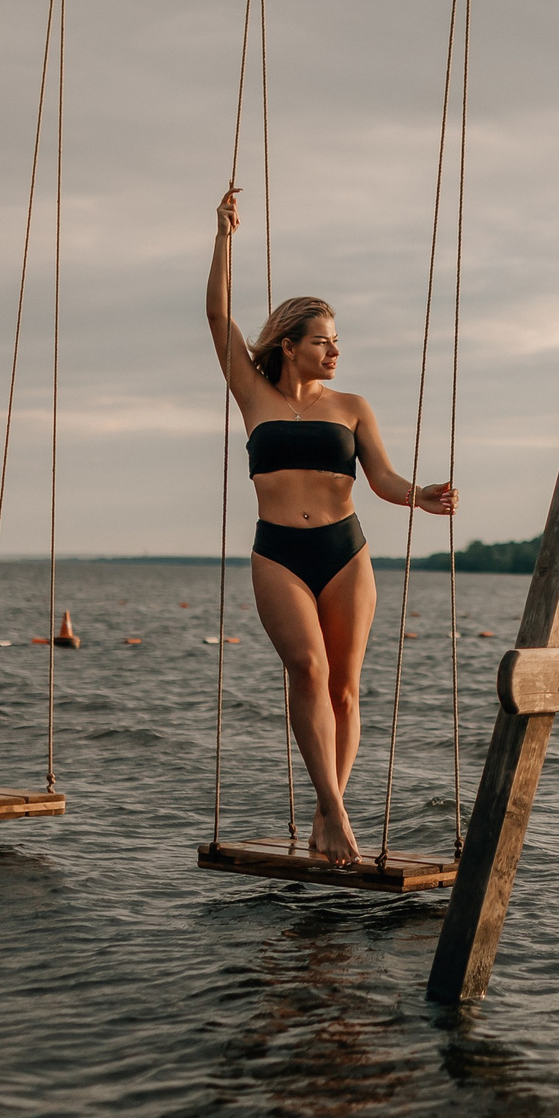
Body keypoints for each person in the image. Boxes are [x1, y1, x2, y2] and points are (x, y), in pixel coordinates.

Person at [206, 189, 456, 863]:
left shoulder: (352, 405)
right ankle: (339, 815)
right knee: (307, 667)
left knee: (345, 687)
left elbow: (381, 480)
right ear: (290, 346)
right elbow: (218, 313)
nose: (335, 351)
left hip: (346, 552)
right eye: (323, 341)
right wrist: (225, 235)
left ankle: (326, 814)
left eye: (338, 341)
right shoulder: (251, 393)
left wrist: (423, 495)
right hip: (279, 552)